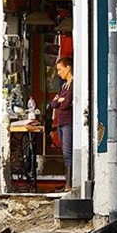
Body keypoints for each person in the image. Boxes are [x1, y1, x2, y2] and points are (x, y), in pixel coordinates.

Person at [51, 57, 73, 191]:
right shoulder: (64, 86)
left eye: (60, 69)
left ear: (68, 68)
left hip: (68, 122)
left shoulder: (72, 85)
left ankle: (69, 184)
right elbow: (53, 104)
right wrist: (60, 100)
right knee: (64, 152)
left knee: (68, 152)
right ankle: (67, 182)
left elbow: (65, 103)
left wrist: (61, 100)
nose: (58, 73)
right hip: (61, 122)